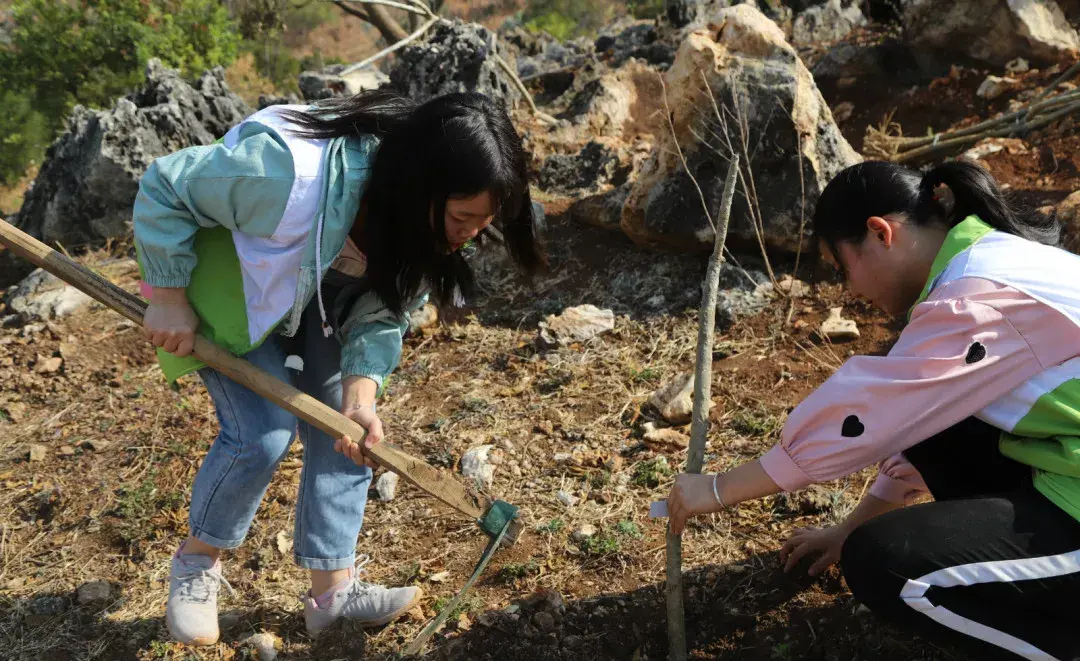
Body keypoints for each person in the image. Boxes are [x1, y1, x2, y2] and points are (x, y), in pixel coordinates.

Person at [133, 89, 542, 646]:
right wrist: (168, 294)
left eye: (483, 221)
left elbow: (381, 307)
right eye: (462, 217)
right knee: (262, 435)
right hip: (234, 288)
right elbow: (165, 184)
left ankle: (332, 595)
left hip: (318, 293)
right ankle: (197, 566)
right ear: (422, 184)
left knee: (347, 431)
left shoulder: (421, 226)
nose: (469, 233)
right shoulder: (282, 178)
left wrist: (361, 396)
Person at [665, 160, 1080, 660]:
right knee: (904, 483)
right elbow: (923, 426)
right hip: (1064, 475)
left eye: (843, 269)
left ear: (880, 233)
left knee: (888, 566)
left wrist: (718, 489)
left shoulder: (978, 296)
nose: (851, 290)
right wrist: (849, 527)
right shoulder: (991, 261)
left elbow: (861, 417)